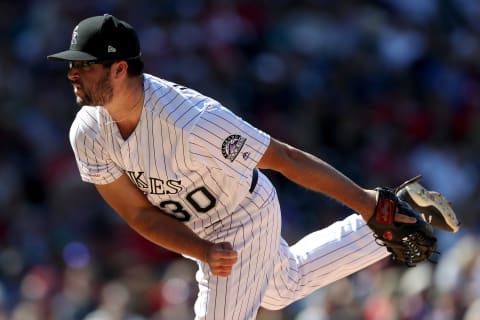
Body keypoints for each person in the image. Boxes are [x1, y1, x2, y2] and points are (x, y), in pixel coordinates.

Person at [47, 14, 417, 320]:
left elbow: (285, 158)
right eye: (72, 64)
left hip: (243, 215)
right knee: (285, 285)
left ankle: (382, 213)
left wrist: (368, 203)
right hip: (201, 228)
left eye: (84, 65)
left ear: (119, 69)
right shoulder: (87, 131)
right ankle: (393, 222)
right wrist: (200, 249)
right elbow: (140, 214)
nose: (72, 74)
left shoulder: (193, 121)